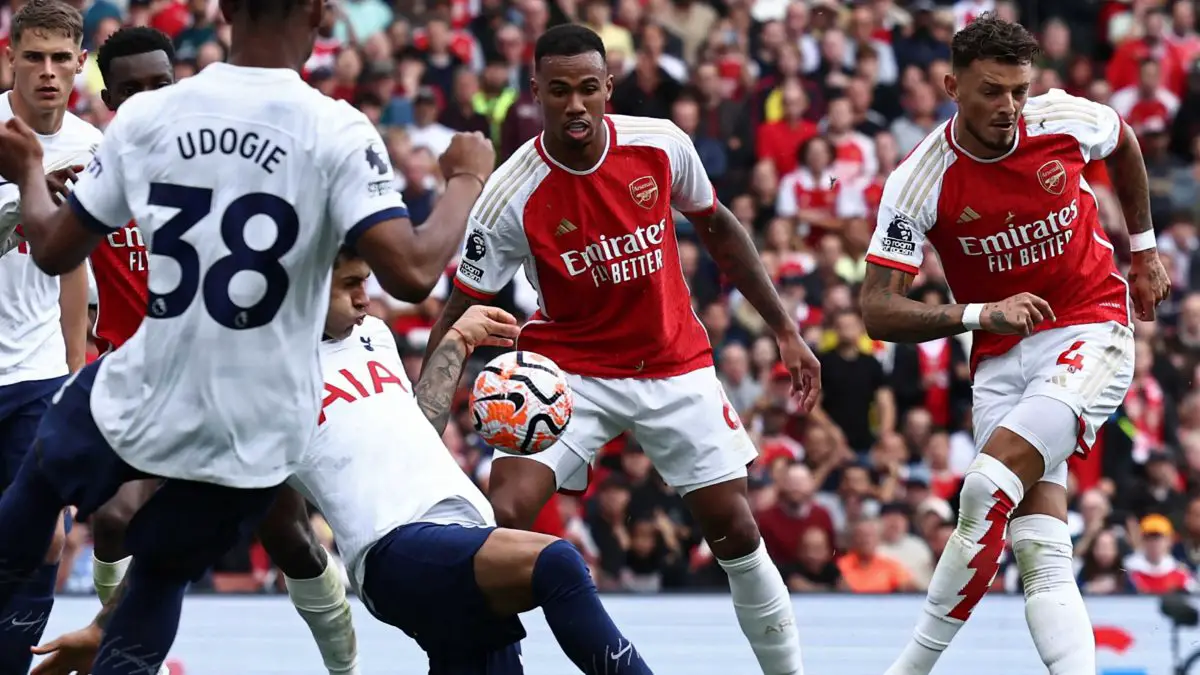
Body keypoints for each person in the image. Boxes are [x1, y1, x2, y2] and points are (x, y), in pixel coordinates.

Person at [0, 0, 495, 669]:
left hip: (146, 379)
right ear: (321, 15)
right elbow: (410, 271)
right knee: (159, 572)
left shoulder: (147, 118)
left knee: (38, 493)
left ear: (228, 10)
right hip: (256, 416)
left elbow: (56, 251)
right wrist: (465, 177)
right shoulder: (337, 129)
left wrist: (30, 173)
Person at [30, 248, 655, 675]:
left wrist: (458, 342)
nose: (367, 295)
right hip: (395, 553)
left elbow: (417, 422)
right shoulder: (265, 378)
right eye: (351, 283)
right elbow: (186, 508)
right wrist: (108, 622)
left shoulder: (375, 334)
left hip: (462, 537)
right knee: (558, 563)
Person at [426, 24, 820, 675]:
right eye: (559, 91)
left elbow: (719, 228)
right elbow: (460, 301)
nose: (575, 105)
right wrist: (424, 410)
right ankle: (494, 664)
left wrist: (785, 327)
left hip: (672, 360)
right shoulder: (509, 193)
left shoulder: (661, 145)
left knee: (735, 529)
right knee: (502, 516)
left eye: (588, 89)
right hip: (567, 368)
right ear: (536, 93)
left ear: (609, 87)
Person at [858, 14, 1171, 675]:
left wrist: (1143, 250)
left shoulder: (1062, 119)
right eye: (991, 91)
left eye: (1018, 91)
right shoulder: (921, 178)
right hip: (1000, 357)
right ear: (951, 86)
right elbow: (878, 310)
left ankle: (906, 668)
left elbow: (1123, 142)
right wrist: (980, 312)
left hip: (1091, 326)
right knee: (1040, 547)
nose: (1008, 108)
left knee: (985, 487)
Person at [84, 26, 359, 675]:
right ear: (108, 96)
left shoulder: (230, 163)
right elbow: (48, 249)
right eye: (132, 90)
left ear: (178, 81)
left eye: (160, 83)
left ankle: (346, 665)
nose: (148, 99)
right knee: (116, 516)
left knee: (287, 534)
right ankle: (125, 657)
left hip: (236, 377)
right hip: (139, 381)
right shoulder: (93, 170)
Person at [0, 1, 95, 671]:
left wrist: (74, 379)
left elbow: (73, 278)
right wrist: (26, 201)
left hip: (36, 374)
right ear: (10, 57)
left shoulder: (93, 150)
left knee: (45, 539)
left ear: (81, 65)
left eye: (61, 58)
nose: (48, 72)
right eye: (33, 56)